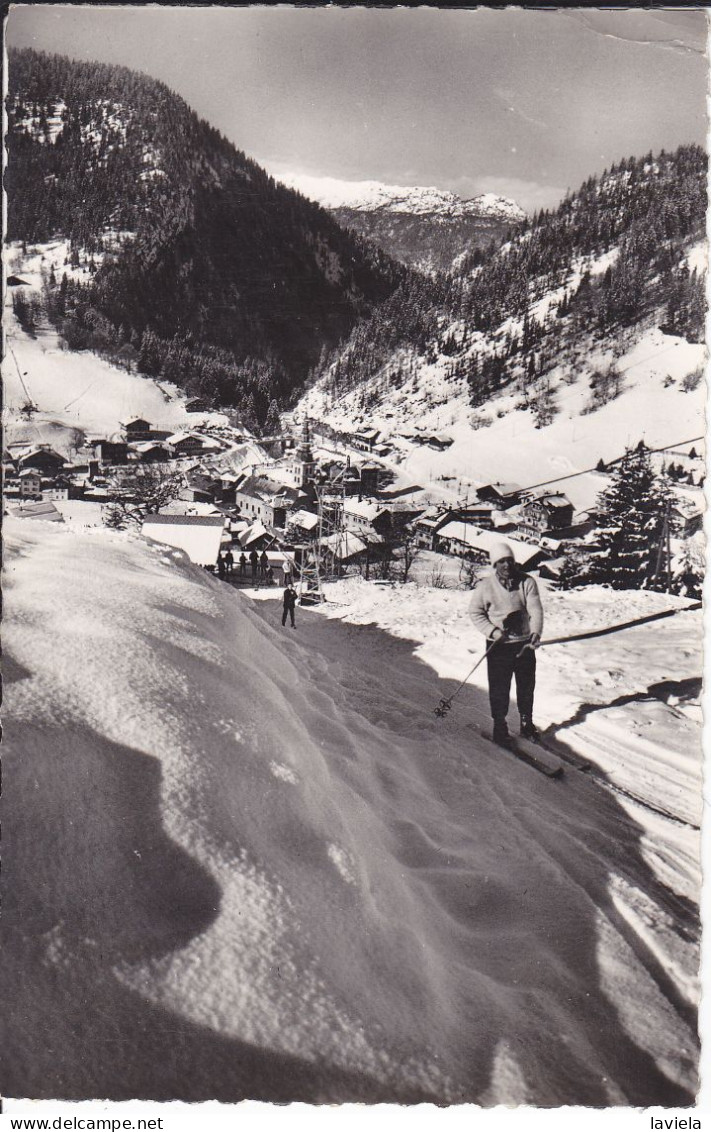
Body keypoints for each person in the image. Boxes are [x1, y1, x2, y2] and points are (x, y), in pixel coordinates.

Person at [469, 541, 543, 746]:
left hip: (524, 644)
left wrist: (535, 633)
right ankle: (499, 725)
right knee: (500, 688)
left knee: (526, 686)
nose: (507, 565)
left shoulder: (527, 582)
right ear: (495, 565)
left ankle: (526, 722)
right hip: (499, 646)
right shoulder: (485, 587)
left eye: (510, 560)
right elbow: (476, 613)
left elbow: (535, 610)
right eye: (501, 561)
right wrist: (492, 631)